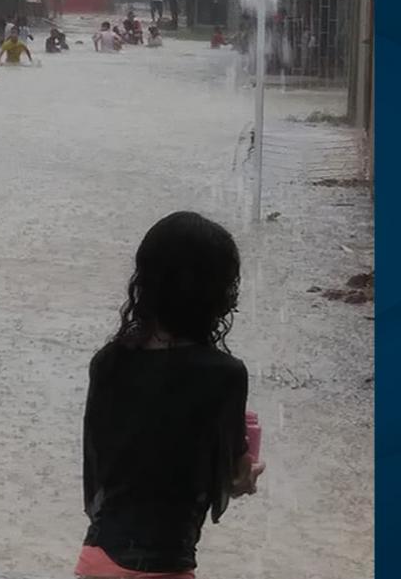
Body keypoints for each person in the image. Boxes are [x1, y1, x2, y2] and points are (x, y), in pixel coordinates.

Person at [75, 212, 265, 579]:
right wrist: (244, 478)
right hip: (165, 567)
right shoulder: (224, 374)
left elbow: (101, 471)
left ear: (144, 281)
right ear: (219, 293)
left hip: (96, 558)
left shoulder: (108, 362)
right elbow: (225, 483)